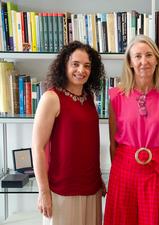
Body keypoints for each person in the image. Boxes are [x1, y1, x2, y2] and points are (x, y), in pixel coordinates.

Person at [103, 35, 159, 225]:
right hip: (123, 169)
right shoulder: (116, 96)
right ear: (130, 62)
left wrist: (156, 158)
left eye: (149, 55)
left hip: (156, 169)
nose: (144, 61)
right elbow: (113, 144)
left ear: (157, 60)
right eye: (138, 56)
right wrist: (123, 165)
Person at [32, 41, 106, 225]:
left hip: (92, 188)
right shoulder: (51, 97)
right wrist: (43, 191)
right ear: (64, 64)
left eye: (87, 66)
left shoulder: (89, 97)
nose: (81, 70)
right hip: (61, 190)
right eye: (75, 64)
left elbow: (89, 143)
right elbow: (38, 147)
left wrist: (98, 179)